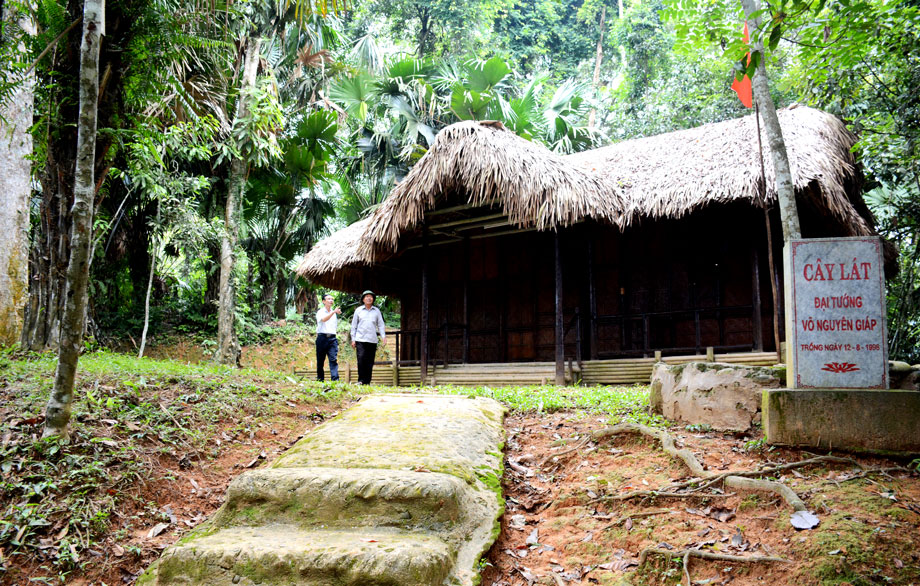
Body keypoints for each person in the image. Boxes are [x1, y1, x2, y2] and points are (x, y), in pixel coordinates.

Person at [350, 290, 386, 385]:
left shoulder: (376, 311)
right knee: (361, 359)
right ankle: (361, 380)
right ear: (363, 299)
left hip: (372, 340)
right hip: (360, 339)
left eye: (371, 297)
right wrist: (353, 339)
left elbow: (381, 325)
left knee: (370, 361)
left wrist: (383, 336)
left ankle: (367, 381)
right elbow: (354, 326)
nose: (369, 298)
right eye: (366, 297)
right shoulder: (358, 310)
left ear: (373, 299)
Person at [315, 293, 341, 382]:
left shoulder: (334, 313)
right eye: (328, 299)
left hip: (332, 338)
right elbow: (324, 319)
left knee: (333, 359)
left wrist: (333, 312)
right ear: (323, 301)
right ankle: (320, 379)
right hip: (322, 338)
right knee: (320, 360)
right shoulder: (320, 312)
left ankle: (335, 380)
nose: (331, 300)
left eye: (332, 299)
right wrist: (333, 312)